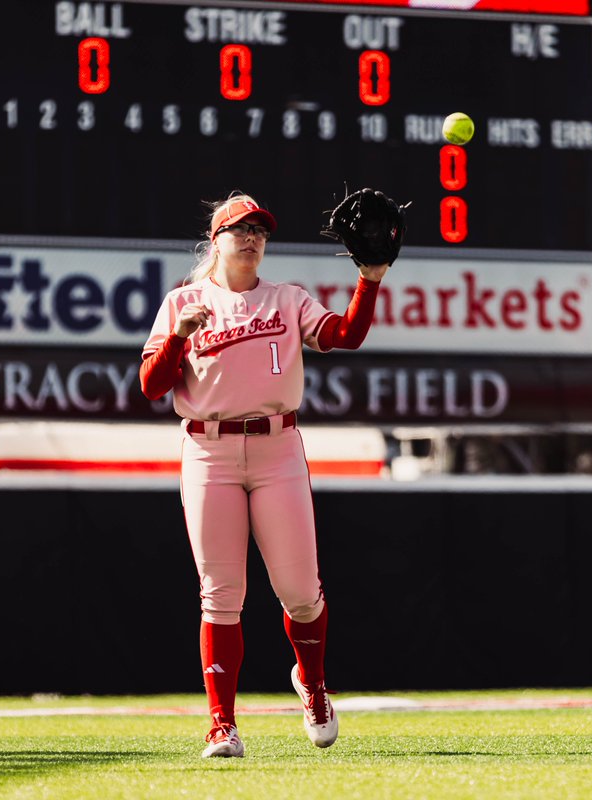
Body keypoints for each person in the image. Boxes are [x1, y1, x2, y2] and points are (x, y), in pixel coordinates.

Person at [139, 192, 390, 758]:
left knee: (301, 594)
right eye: (239, 229)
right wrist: (179, 334)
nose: (251, 237)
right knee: (221, 596)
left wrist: (369, 280)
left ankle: (314, 685)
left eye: (260, 230)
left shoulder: (287, 299)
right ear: (216, 240)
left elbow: (343, 335)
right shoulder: (184, 300)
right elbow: (152, 386)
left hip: (278, 448)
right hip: (209, 450)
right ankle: (221, 724)